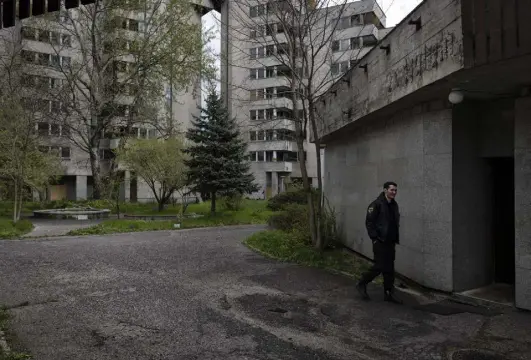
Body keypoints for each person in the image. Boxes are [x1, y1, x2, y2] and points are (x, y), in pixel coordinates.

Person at [356, 182, 402, 304]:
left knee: (389, 269)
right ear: (385, 190)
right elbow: (369, 223)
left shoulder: (394, 205)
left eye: (395, 190)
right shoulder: (376, 204)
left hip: (390, 242)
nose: (394, 192)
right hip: (380, 241)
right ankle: (362, 283)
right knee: (379, 266)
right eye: (392, 190)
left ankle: (388, 293)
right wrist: (375, 239)